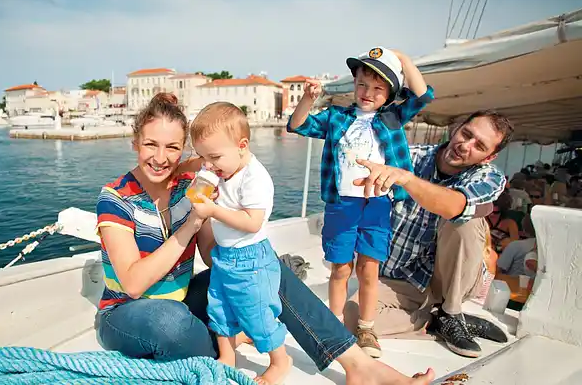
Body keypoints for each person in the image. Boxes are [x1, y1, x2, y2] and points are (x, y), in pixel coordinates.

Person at [95, 92, 434, 385]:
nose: (160, 158)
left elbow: (211, 255)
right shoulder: (116, 198)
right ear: (135, 143)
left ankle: (358, 365)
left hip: (183, 299)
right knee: (170, 322)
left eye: (172, 147)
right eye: (150, 144)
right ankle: (237, 335)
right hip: (127, 313)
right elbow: (133, 285)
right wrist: (192, 224)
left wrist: (224, 221)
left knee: (265, 266)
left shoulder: (187, 186)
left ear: (183, 150)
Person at [287, 47, 434, 358]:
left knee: (369, 270)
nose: (368, 92)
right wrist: (308, 99)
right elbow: (298, 124)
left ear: (390, 93)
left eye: (378, 88)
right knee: (340, 268)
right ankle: (335, 325)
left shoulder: (393, 116)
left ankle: (367, 328)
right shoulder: (336, 117)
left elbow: (423, 95)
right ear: (354, 84)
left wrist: (404, 59)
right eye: (362, 84)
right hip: (342, 206)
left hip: (377, 205)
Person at [343, 109, 514, 358]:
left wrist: (407, 180)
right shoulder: (410, 157)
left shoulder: (489, 177)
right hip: (400, 278)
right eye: (466, 134)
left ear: (489, 157)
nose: (465, 145)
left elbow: (453, 206)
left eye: (479, 146)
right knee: (353, 318)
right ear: (457, 127)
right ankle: (434, 322)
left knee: (465, 219)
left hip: (447, 278)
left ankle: (451, 311)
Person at [188, 102, 290, 384]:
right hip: (224, 256)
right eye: (203, 157)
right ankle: (227, 355)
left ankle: (280, 360)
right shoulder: (224, 171)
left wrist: (213, 210)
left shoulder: (254, 178)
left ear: (242, 146)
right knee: (218, 306)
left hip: (252, 259)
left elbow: (252, 222)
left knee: (257, 313)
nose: (208, 165)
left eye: (214, 157)